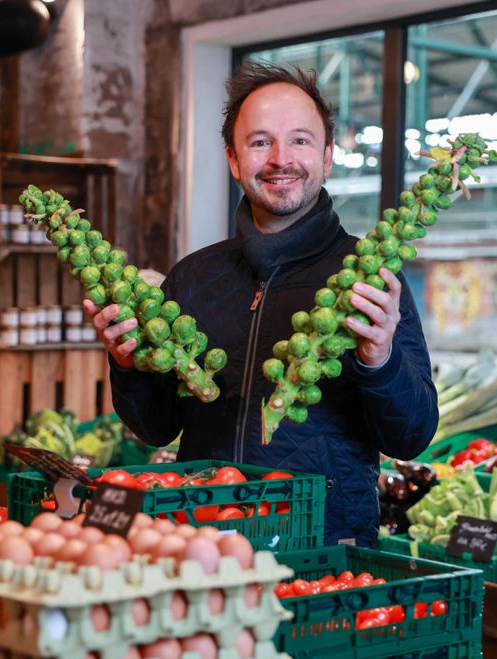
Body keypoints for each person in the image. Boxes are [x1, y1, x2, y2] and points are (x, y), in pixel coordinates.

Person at [85, 61, 437, 547]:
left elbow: (412, 436)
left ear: (328, 156)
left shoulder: (371, 279)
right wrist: (128, 366)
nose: (280, 158)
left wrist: (381, 361)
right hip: (200, 542)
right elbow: (156, 429)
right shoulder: (192, 276)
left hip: (322, 551)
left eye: (300, 139)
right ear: (233, 159)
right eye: (259, 141)